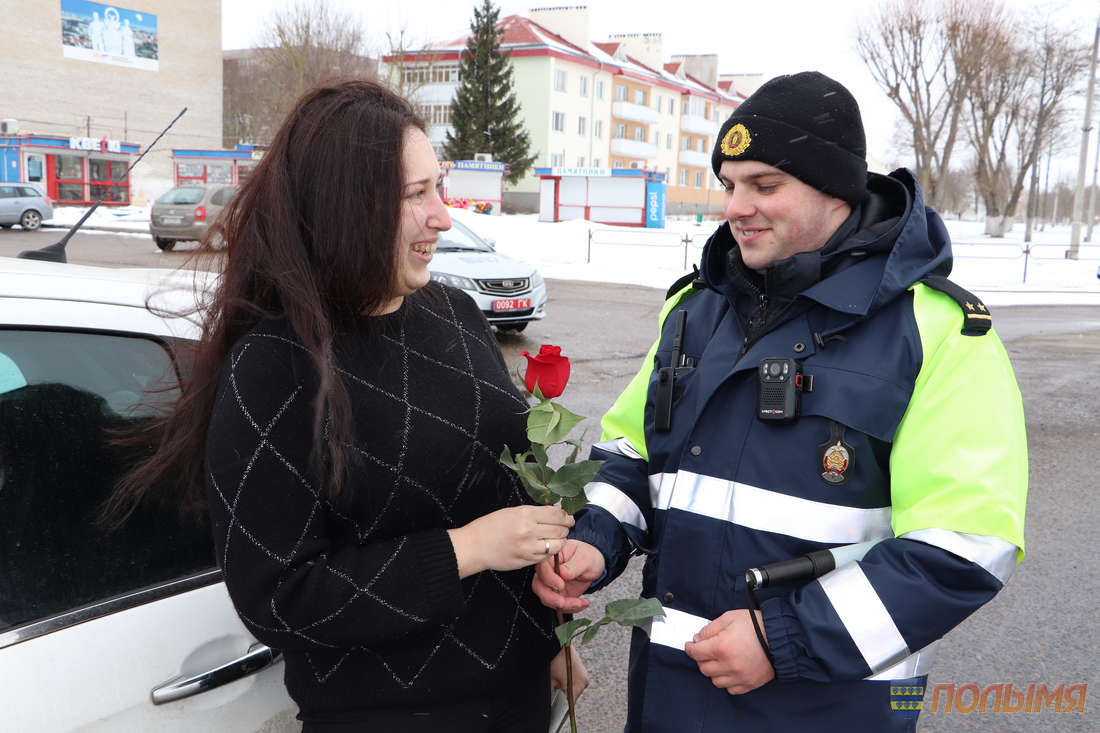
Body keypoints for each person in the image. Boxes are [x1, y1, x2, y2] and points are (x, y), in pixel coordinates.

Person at [533, 71, 1027, 732]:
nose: (737, 206)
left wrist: (783, 638)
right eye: (730, 185)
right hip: (671, 704)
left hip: (825, 708)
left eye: (765, 185)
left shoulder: (938, 330)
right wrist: (598, 538)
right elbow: (635, 455)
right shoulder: (694, 309)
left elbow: (965, 544)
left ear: (837, 191)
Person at [108, 79, 585, 732]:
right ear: (345, 207)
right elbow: (278, 596)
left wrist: (550, 637)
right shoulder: (276, 363)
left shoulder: (457, 313)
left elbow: (512, 498)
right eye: (416, 195)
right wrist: (464, 550)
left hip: (518, 703)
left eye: (438, 188)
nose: (443, 216)